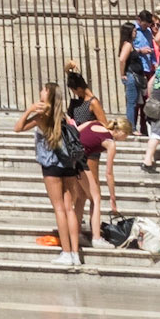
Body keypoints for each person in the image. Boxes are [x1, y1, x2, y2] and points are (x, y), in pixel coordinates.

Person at [15, 81, 85, 267]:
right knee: (70, 208)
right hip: (68, 164)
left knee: (59, 209)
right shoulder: (63, 115)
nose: (40, 91)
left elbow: (18, 127)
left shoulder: (41, 116)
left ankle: (66, 252)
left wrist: (29, 110)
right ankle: (75, 254)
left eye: (43, 89)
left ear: (48, 94)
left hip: (51, 165)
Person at [65, 62, 117, 244]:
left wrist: (85, 128)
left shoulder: (93, 102)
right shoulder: (77, 102)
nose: (73, 93)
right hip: (79, 148)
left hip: (91, 150)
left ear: (80, 88)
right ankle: (84, 232)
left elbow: (104, 125)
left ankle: (88, 230)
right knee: (83, 194)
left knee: (90, 192)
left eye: (74, 90)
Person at [119, 19, 150, 135]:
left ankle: (132, 127)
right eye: (134, 31)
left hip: (134, 76)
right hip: (131, 77)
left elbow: (132, 53)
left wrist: (140, 50)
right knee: (131, 103)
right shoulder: (127, 44)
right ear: (129, 32)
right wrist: (122, 75)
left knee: (134, 103)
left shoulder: (130, 45)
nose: (136, 33)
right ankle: (131, 128)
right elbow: (122, 59)